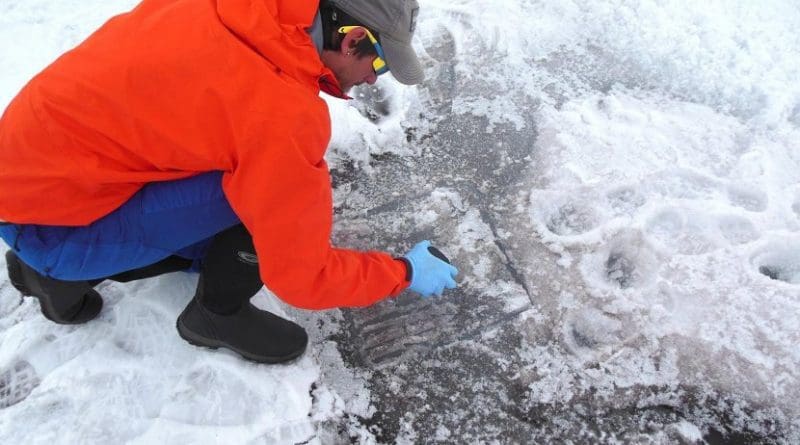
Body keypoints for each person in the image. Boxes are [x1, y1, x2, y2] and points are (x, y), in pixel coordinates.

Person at [0, 0, 459, 364]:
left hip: (26, 180)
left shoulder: (231, 9)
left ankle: (41, 261)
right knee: (267, 196)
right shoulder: (281, 113)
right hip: (58, 231)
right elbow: (304, 277)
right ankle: (216, 315)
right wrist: (403, 273)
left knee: (257, 171)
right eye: (377, 64)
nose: (369, 80)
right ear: (353, 38)